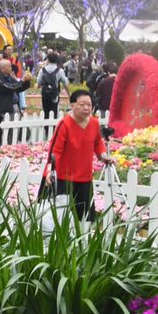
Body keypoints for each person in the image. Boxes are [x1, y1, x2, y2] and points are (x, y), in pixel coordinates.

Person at [44, 88, 108, 220]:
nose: (86, 108)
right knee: (62, 217)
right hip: (64, 178)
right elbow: (55, 151)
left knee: (84, 217)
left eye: (89, 104)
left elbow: (98, 143)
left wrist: (103, 155)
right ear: (72, 105)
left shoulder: (95, 123)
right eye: (82, 104)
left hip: (85, 177)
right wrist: (49, 171)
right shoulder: (64, 124)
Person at [37, 53, 65, 119]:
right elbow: (65, 82)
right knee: (54, 111)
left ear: (48, 60)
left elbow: (39, 82)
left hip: (45, 94)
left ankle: (46, 128)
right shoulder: (60, 70)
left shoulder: (42, 70)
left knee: (46, 111)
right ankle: (53, 127)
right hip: (54, 94)